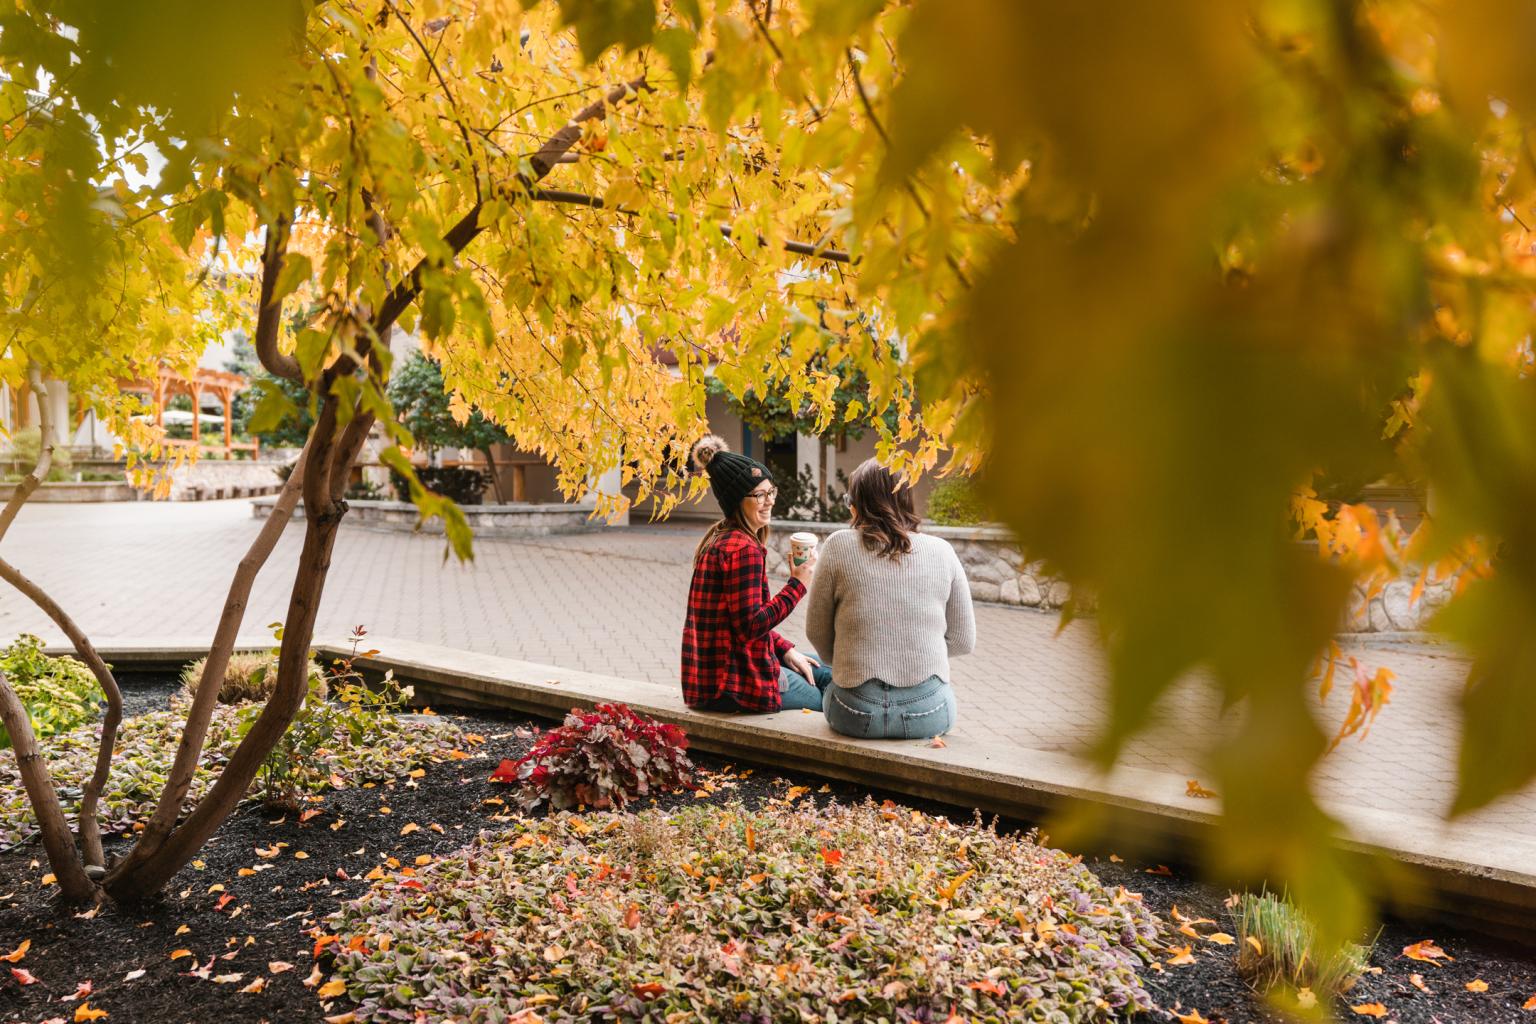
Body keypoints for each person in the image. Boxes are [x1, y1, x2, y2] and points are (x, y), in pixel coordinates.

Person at [805, 459, 976, 738]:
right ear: (906, 498)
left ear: (859, 502)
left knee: (815, 673)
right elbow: (963, 641)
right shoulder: (942, 551)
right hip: (930, 712)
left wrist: (849, 661)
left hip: (854, 712)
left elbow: (816, 631)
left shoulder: (838, 546)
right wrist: (916, 652)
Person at [680, 434, 832, 713]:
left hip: (708, 684)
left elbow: (738, 622)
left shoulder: (721, 539)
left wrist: (785, 648)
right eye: (759, 495)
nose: (769, 501)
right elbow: (751, 625)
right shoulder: (742, 550)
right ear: (736, 500)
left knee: (823, 670)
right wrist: (798, 584)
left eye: (770, 491)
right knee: (830, 694)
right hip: (736, 686)